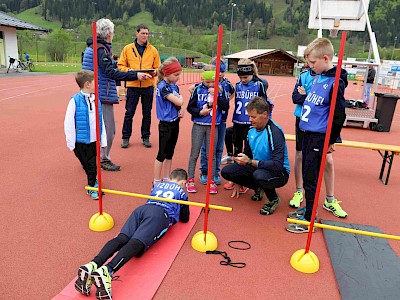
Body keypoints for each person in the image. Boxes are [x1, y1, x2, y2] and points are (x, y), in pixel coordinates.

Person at [74, 168, 189, 300]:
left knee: (122, 238)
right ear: (184, 183)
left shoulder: (159, 185)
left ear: (169, 179)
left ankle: (92, 265)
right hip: (160, 214)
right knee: (137, 243)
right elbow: (185, 218)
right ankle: (107, 270)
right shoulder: (182, 192)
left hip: (142, 209)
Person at [287, 38, 348, 234]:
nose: (310, 66)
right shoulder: (318, 77)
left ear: (325, 58)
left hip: (318, 136)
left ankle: (309, 219)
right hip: (307, 131)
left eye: (313, 62)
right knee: (307, 173)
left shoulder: (334, 82)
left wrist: (331, 140)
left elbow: (339, 114)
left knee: (311, 177)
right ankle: (309, 210)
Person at [82, 18, 149, 171]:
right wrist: (135, 76)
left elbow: (107, 68)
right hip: (101, 94)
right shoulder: (100, 49)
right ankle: (103, 159)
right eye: (112, 32)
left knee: (95, 128)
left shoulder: (94, 47)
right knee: (109, 130)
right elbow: (111, 73)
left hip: (94, 92)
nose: (113, 34)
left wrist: (132, 72)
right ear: (108, 33)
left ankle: (92, 157)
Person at [221, 96, 290, 215]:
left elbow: (278, 164)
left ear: (264, 114)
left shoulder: (275, 132)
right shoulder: (251, 130)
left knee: (259, 175)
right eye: (249, 116)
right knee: (227, 172)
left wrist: (250, 162)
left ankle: (273, 199)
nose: (250, 119)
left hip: (279, 172)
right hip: (259, 166)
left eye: (253, 116)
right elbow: (247, 154)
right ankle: (259, 188)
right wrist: (237, 180)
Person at [223, 58, 272, 200]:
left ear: (252, 74)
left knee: (249, 152)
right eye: (240, 77)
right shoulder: (237, 85)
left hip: (251, 123)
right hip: (238, 121)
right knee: (237, 149)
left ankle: (247, 179)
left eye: (245, 77)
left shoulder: (258, 85)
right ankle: (236, 178)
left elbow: (265, 103)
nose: (243, 80)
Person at [189, 57, 235, 186]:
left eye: (221, 71)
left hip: (220, 121)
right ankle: (204, 171)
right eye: (217, 71)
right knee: (205, 148)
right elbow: (192, 93)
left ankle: (215, 173)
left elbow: (229, 98)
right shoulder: (201, 87)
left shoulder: (226, 84)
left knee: (218, 148)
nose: (219, 74)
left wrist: (219, 97)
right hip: (204, 121)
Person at [64, 70, 107, 200]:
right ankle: (93, 180)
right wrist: (71, 143)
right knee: (87, 165)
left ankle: (92, 186)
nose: (97, 84)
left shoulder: (96, 99)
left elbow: (101, 120)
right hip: (81, 142)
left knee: (92, 165)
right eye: (95, 82)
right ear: (87, 84)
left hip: (94, 141)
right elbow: (69, 122)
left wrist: (103, 139)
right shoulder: (74, 101)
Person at [118, 24, 161, 149]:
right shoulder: (127, 49)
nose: (145, 36)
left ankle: (145, 137)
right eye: (142, 33)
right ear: (137, 34)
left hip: (148, 85)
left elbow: (158, 67)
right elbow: (120, 66)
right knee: (129, 112)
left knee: (147, 113)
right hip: (133, 85)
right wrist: (133, 73)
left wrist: (155, 72)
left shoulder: (153, 50)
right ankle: (125, 137)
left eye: (147, 33)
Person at [153, 58, 184, 187]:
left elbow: (177, 104)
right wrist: (180, 101)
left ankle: (166, 178)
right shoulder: (163, 87)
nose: (178, 78)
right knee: (162, 153)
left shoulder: (174, 86)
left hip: (175, 122)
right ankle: (156, 181)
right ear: (166, 74)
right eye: (175, 75)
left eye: (179, 75)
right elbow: (178, 100)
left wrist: (180, 109)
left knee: (170, 152)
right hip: (165, 124)